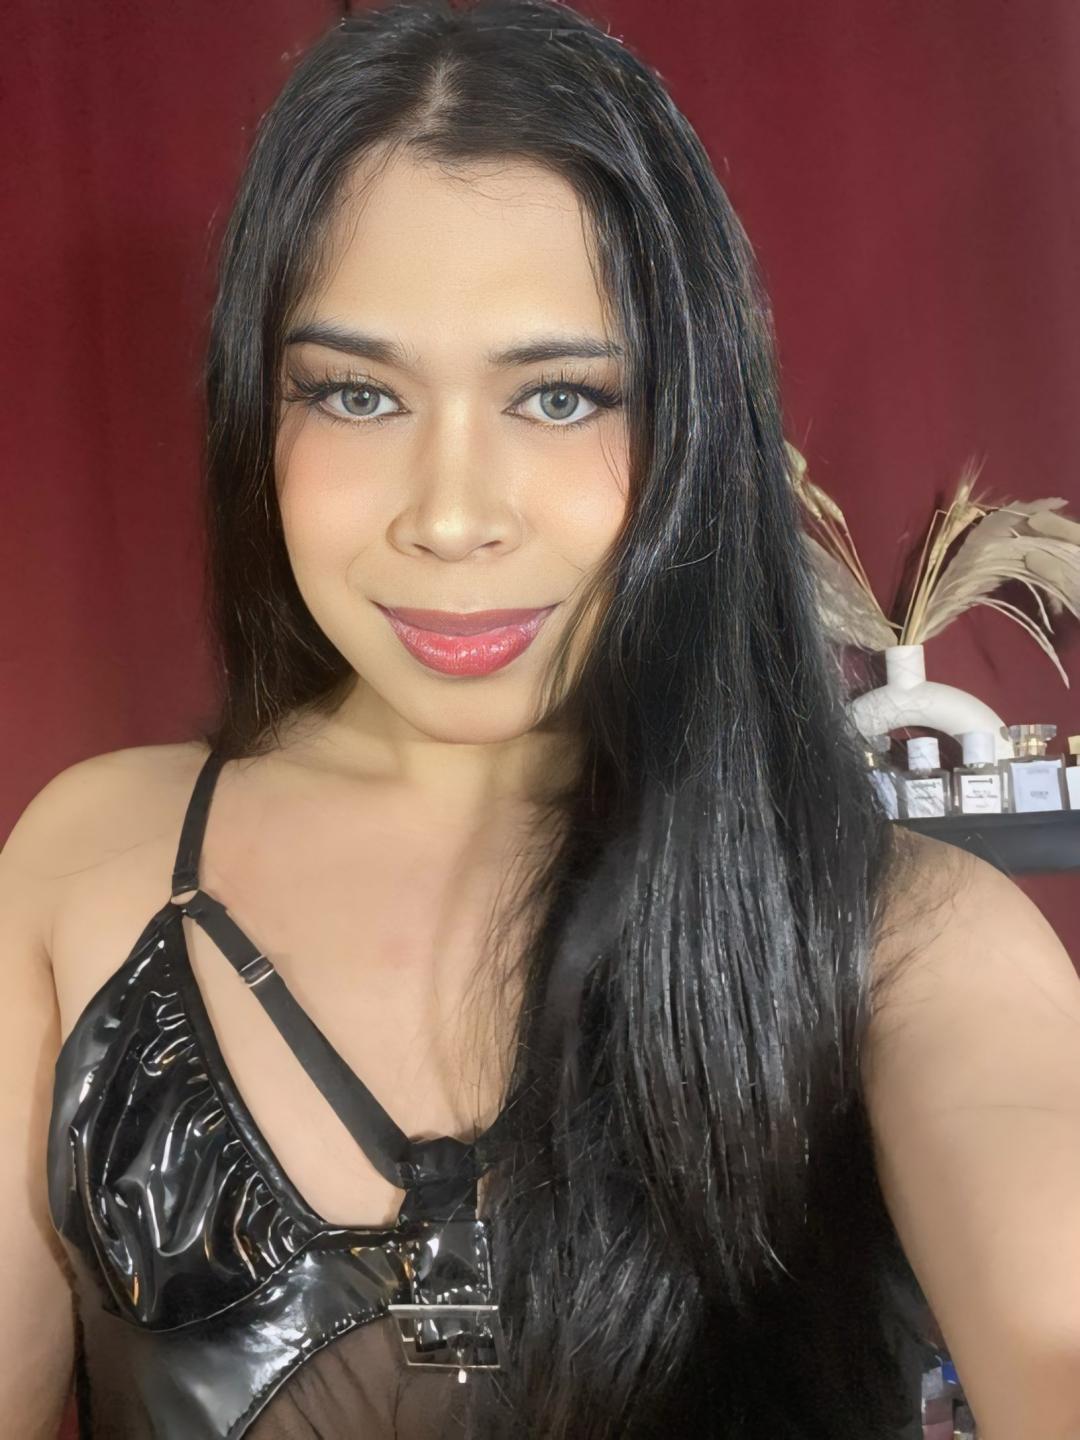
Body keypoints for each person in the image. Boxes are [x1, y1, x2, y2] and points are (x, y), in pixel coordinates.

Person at [4, 1, 1079, 1436]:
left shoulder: (900, 937)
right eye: (358, 394)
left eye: (562, 398)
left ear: (697, 423)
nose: (451, 518)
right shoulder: (90, 861)